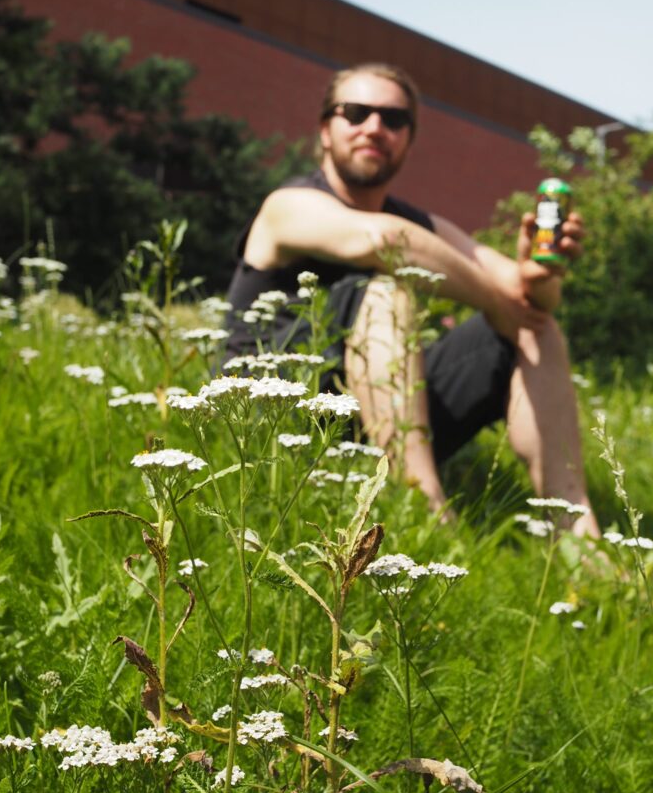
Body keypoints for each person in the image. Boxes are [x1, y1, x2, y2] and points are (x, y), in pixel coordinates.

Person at [224, 62, 600, 538]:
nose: (375, 128)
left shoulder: (423, 223)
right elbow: (383, 241)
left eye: (394, 119)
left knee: (534, 327)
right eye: (356, 113)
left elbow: (530, 303)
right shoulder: (288, 204)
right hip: (273, 420)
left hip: (382, 420)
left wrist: (538, 274)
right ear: (325, 130)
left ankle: (578, 536)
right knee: (384, 291)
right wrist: (496, 299)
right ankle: (428, 517)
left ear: (409, 139)